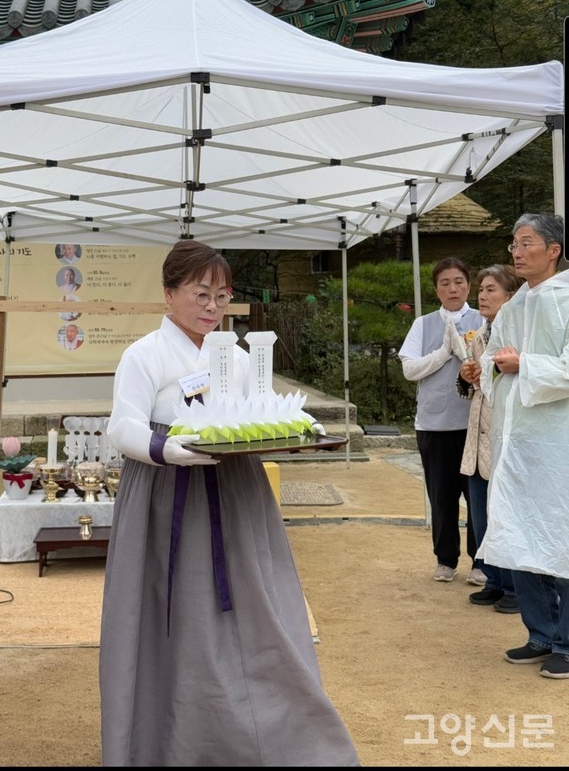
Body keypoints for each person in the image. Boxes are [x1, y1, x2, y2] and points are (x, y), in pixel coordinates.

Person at [100, 239, 360, 766]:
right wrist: (166, 448)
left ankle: (263, 731)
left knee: (255, 606)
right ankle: (168, 738)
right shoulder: (144, 355)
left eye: (221, 296)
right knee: (168, 614)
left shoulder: (235, 357)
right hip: (165, 496)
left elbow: (262, 408)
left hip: (235, 493)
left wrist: (303, 426)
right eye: (200, 293)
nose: (211, 306)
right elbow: (121, 425)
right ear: (168, 294)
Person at [477, 212, 569, 679]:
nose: (515, 251)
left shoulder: (568, 298)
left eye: (526, 242)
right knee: (521, 530)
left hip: (558, 440)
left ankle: (568, 642)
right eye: (513, 243)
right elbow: (497, 357)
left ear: (553, 250)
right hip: (517, 438)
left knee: (560, 534)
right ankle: (539, 633)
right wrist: (493, 366)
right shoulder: (514, 307)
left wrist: (523, 364)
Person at [398, 257, 484, 583]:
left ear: (468, 285)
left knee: (477, 495)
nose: (453, 288)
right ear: (436, 289)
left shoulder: (482, 319)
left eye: (459, 281)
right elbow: (410, 369)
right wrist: (445, 352)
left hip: (474, 423)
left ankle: (481, 561)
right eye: (445, 283)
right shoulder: (424, 324)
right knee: (442, 496)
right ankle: (446, 559)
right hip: (433, 424)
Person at [456, 264, 521, 613]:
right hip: (478, 438)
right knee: (480, 516)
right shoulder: (479, 334)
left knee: (504, 514)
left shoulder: (516, 334)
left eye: (491, 288)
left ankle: (513, 588)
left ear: (510, 296)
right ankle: (494, 580)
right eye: (481, 288)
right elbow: (472, 391)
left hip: (504, 436)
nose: (482, 294)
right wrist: (467, 377)